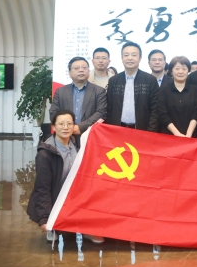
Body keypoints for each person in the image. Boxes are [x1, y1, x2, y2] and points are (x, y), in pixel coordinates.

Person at [27, 110, 104, 244]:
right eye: (61, 124)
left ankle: (87, 228)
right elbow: (42, 188)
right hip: (56, 195)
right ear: (53, 127)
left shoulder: (79, 144)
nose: (65, 127)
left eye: (69, 124)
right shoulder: (45, 154)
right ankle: (53, 225)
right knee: (54, 223)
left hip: (77, 194)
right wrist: (45, 218)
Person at [106, 42, 159, 131]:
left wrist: (150, 131)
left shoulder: (150, 80)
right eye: (126, 55)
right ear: (122, 58)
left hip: (142, 130)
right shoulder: (113, 81)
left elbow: (155, 109)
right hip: (117, 130)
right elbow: (109, 108)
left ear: (140, 58)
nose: (130, 58)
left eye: (134, 55)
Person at [49, 57, 107, 139]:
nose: (81, 70)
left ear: (89, 71)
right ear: (69, 73)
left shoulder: (99, 91)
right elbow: (53, 113)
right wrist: (67, 127)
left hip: (90, 136)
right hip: (65, 136)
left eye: (84, 67)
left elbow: (101, 113)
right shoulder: (61, 91)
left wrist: (80, 127)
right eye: (76, 68)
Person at [158, 56, 197, 137]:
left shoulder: (195, 90)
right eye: (177, 69)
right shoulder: (164, 91)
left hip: (191, 136)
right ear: (171, 71)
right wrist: (176, 133)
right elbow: (163, 115)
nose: (181, 72)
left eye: (184, 69)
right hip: (169, 135)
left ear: (188, 70)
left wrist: (189, 134)